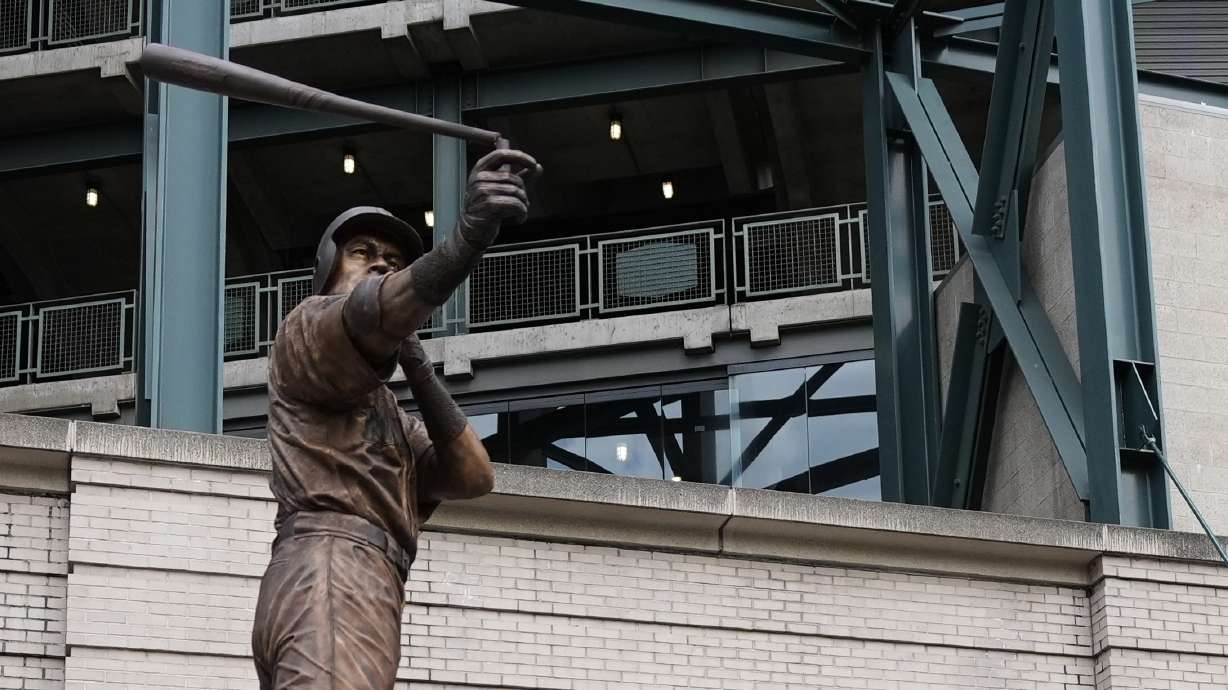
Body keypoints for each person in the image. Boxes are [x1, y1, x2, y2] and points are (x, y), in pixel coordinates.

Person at [252, 148, 542, 689]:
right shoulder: (308, 326)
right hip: (334, 568)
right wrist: (468, 238)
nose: (382, 264)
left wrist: (417, 363)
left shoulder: (388, 410)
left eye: (394, 259)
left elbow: (473, 475)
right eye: (362, 252)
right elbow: (375, 309)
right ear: (328, 268)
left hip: (354, 577)